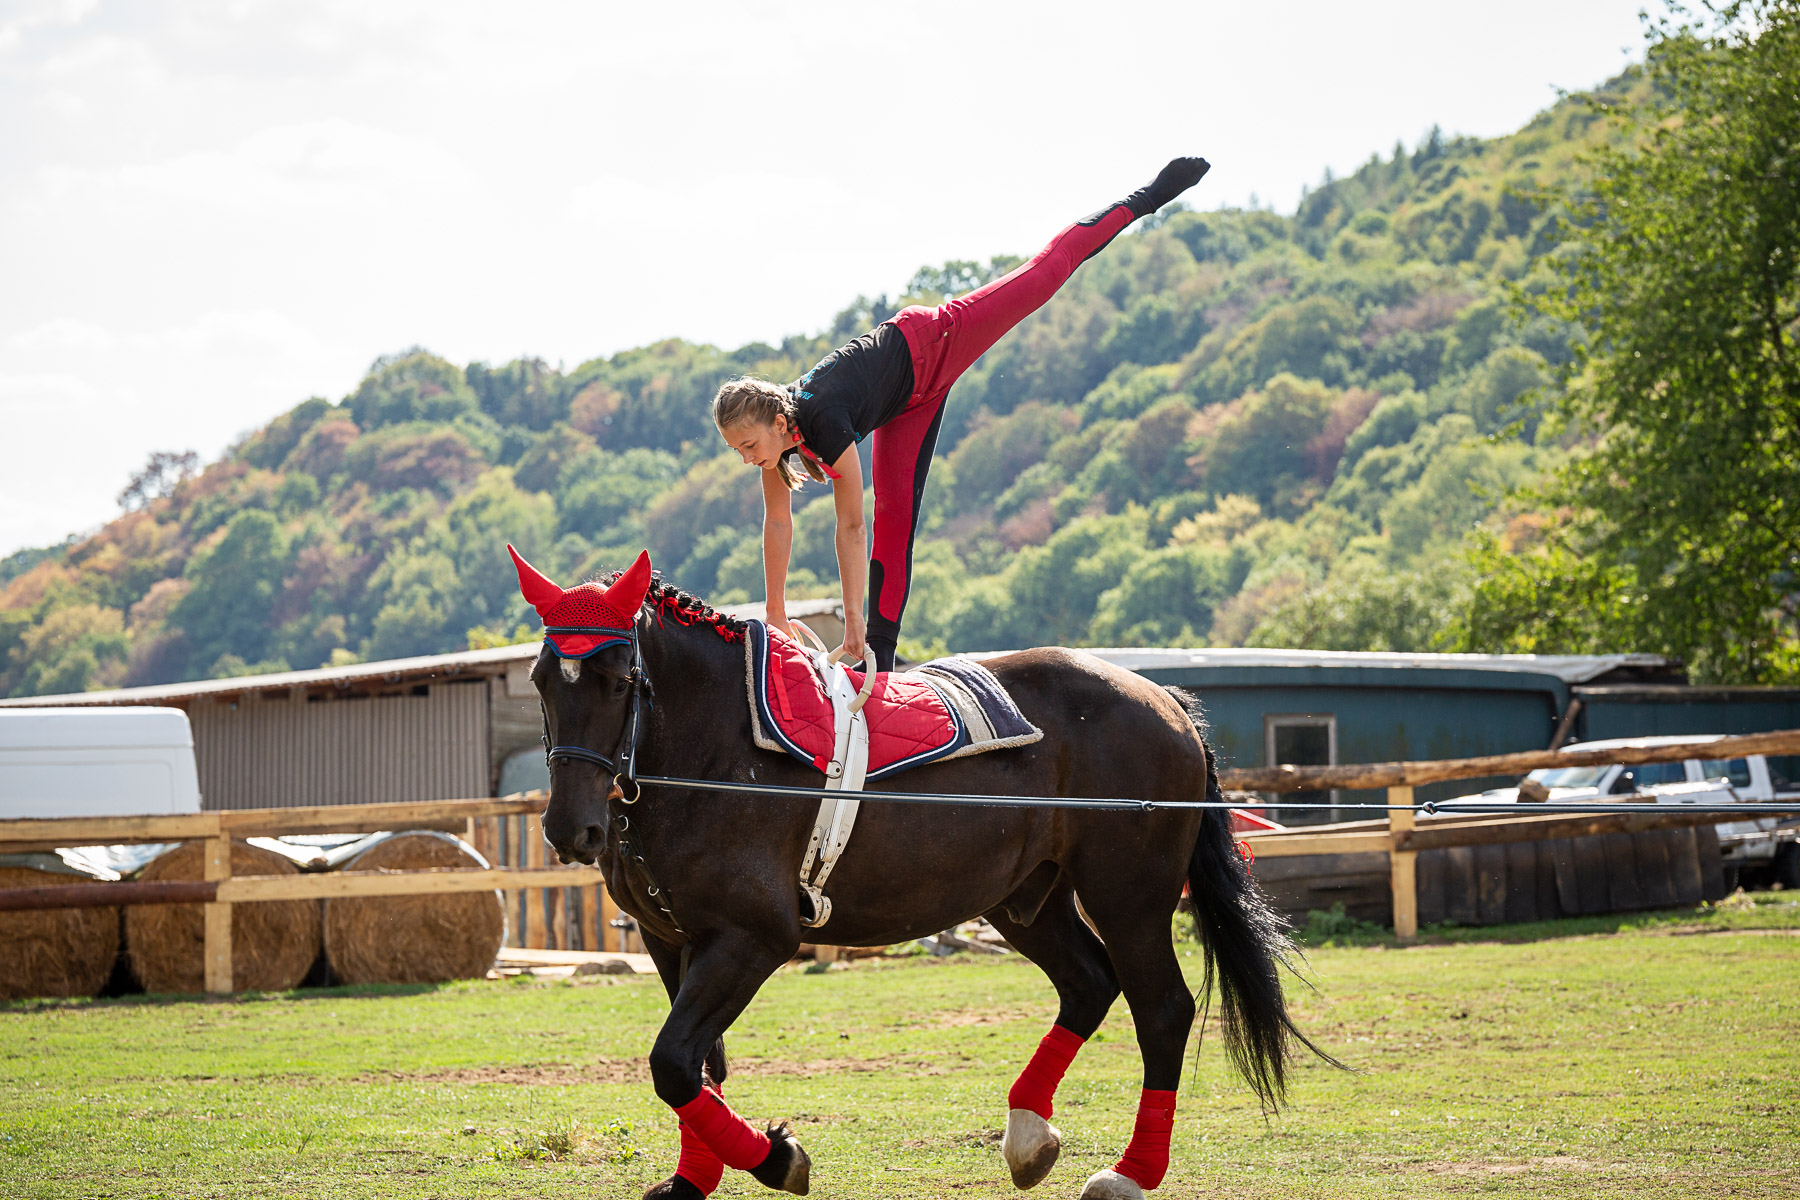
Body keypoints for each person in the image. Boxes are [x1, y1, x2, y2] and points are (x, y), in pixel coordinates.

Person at [714, 156, 1210, 672]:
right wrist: (775, 611)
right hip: (906, 404)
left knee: (1042, 277)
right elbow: (777, 522)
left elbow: (851, 527)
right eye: (737, 450)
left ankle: (1146, 198)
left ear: (777, 423)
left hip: (934, 340)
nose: (747, 458)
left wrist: (852, 618)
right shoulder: (775, 443)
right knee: (897, 518)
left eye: (747, 445)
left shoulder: (822, 420)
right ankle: (880, 663)